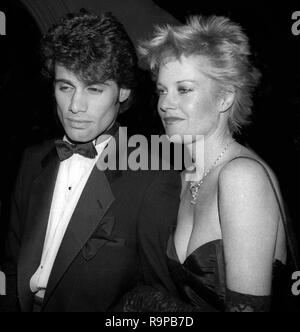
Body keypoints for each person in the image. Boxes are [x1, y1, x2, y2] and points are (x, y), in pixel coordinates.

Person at [0, 11, 181, 312]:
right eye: (65, 86)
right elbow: (11, 261)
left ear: (122, 91)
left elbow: (159, 301)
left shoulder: (153, 176)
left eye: (94, 89)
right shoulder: (33, 160)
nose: (74, 106)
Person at [122, 15, 299, 312]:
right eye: (162, 90)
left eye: (184, 89)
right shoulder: (190, 174)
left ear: (224, 98)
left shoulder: (242, 177)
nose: (165, 103)